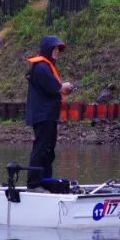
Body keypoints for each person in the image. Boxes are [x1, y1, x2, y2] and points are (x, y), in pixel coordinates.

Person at [25, 35, 74, 190]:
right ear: (47, 49)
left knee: (48, 150)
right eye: (54, 48)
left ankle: (45, 181)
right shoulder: (42, 67)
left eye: (58, 49)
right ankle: (33, 184)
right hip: (43, 115)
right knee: (41, 148)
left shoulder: (44, 66)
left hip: (48, 115)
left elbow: (55, 89)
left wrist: (64, 87)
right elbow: (59, 88)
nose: (57, 51)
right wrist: (66, 86)